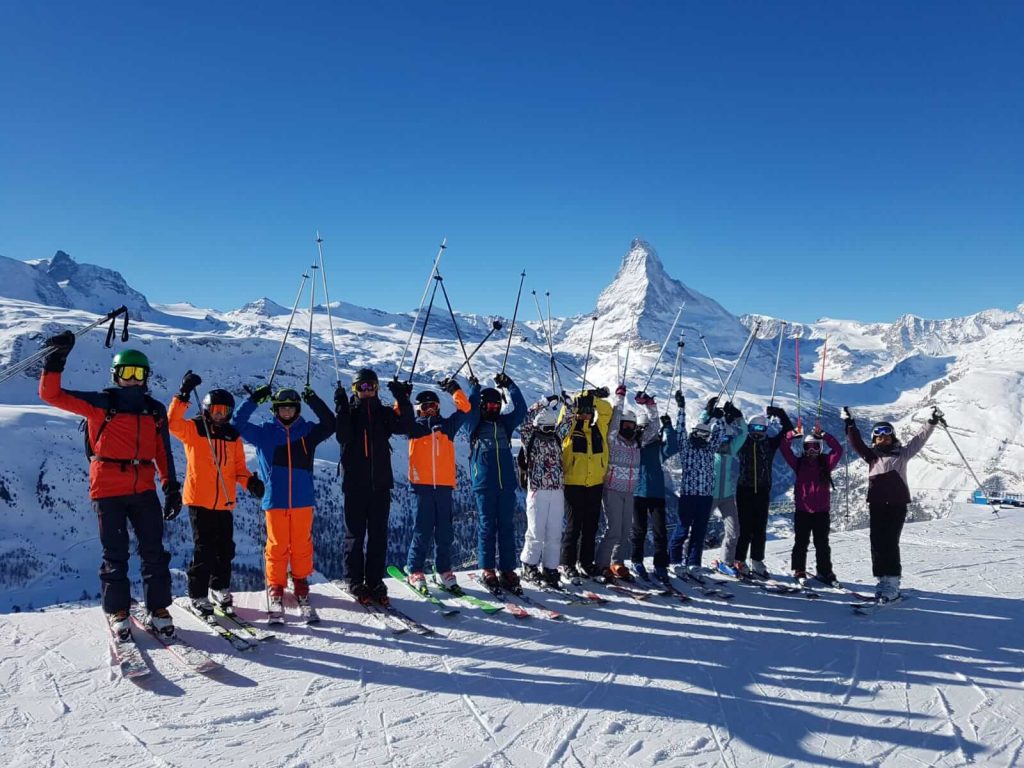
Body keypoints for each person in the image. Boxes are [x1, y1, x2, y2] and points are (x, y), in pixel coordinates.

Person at [38, 336, 181, 639]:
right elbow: (51, 395)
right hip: (108, 489)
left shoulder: (154, 410)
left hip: (143, 489)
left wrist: (170, 487)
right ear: (116, 376)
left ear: (146, 378)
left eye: (138, 374)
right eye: (127, 373)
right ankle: (119, 611)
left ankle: (158, 609)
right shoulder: (101, 403)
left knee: (154, 552)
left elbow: (162, 452)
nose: (132, 380)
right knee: (115, 553)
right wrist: (56, 361)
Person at [233, 384, 336, 617]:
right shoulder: (264, 433)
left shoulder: (307, 432)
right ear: (275, 410)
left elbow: (331, 424)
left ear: (297, 409)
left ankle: (300, 582)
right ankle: (276, 585)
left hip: (302, 500)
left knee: (301, 544)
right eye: (282, 408)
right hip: (275, 500)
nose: (287, 412)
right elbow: (236, 425)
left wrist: (314, 400)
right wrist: (254, 400)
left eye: (291, 408)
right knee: (277, 545)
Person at [168, 371, 264, 615]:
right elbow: (172, 424)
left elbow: (239, 469)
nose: (220, 415)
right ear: (207, 409)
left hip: (224, 501)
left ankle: (219, 587)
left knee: (225, 549)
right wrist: (183, 394)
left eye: (224, 411)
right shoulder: (195, 430)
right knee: (204, 550)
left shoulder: (233, 437)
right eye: (215, 410)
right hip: (199, 500)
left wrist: (250, 482)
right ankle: (197, 594)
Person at [844, 406, 942, 600]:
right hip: (877, 504)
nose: (883, 439)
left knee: (890, 542)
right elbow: (855, 443)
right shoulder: (871, 456)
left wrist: (931, 422)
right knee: (877, 542)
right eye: (879, 437)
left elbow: (919, 439)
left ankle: (893, 582)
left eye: (887, 436)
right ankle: (882, 579)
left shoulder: (903, 454)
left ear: (893, 437)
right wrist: (849, 423)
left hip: (897, 505)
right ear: (874, 440)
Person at [335, 368, 414, 605]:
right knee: (355, 537)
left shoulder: (383, 413)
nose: (366, 391)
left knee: (379, 536)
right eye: (361, 387)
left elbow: (407, 425)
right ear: (355, 390)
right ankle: (354, 580)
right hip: (355, 486)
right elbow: (342, 436)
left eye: (370, 387)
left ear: (376, 388)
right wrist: (340, 407)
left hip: (380, 486)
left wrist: (402, 398)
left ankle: (375, 581)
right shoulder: (349, 412)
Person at [404, 378, 471, 592]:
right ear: (418, 409)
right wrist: (402, 397)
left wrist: (454, 390)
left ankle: (444, 570)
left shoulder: (447, 426)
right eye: (425, 406)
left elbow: (465, 408)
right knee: (422, 530)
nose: (431, 409)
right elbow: (397, 418)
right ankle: (415, 570)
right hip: (422, 486)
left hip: (443, 487)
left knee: (445, 532)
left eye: (434, 405)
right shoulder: (413, 427)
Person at [463, 373, 527, 591]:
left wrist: (510, 385)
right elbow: (469, 411)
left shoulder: (504, 424)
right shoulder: (474, 425)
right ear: (482, 405)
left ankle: (508, 569)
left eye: (497, 404)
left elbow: (521, 410)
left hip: (506, 484)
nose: (493, 408)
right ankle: (488, 568)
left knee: (507, 527)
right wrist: (474, 389)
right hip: (484, 485)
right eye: (489, 404)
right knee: (487, 526)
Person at [597, 387, 658, 581]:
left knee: (624, 531)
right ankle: (601, 564)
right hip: (613, 489)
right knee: (613, 530)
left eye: (632, 426)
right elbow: (614, 420)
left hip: (630, 491)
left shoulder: (637, 442)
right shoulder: (613, 440)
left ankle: (618, 562)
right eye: (626, 425)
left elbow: (654, 427)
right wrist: (620, 399)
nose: (629, 428)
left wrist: (649, 405)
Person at [558, 387, 612, 581]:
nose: (586, 415)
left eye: (589, 412)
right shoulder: (569, 429)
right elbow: (565, 413)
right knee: (574, 526)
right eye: (583, 411)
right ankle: (567, 563)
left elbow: (607, 411)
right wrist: (580, 398)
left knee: (591, 526)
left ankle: (586, 563)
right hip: (573, 483)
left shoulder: (599, 428)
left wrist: (594, 399)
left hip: (595, 483)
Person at [669, 391, 725, 577]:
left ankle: (694, 563)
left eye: (705, 435)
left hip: (705, 497)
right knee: (682, 529)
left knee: (699, 532)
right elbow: (679, 431)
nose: (701, 437)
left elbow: (720, 433)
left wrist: (720, 418)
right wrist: (681, 408)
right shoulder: (687, 450)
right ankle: (675, 560)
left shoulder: (710, 450)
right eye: (698, 433)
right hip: (689, 496)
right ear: (694, 433)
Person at [518, 396, 572, 588]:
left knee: (555, 532)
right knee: (536, 531)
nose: (549, 432)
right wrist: (542, 403)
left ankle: (550, 567)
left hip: (557, 490)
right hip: (537, 490)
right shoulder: (529, 437)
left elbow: (569, 420)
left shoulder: (557, 436)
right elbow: (523, 419)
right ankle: (529, 565)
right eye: (546, 428)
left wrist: (568, 403)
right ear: (538, 426)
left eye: (552, 427)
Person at [735, 405, 794, 577]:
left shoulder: (770, 443)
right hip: (744, 490)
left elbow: (788, 429)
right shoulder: (743, 443)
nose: (758, 432)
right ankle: (739, 560)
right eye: (755, 428)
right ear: (750, 429)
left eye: (762, 428)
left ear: (766, 429)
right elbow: (737, 433)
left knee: (760, 528)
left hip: (762, 490)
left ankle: (757, 560)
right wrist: (736, 418)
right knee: (745, 529)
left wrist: (780, 413)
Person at [779, 428, 843, 585]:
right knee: (801, 542)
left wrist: (825, 434)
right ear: (804, 448)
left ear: (820, 448)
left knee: (822, 543)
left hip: (821, 511)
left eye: (816, 446)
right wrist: (792, 433)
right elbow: (784, 447)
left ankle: (825, 571)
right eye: (808, 447)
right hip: (803, 510)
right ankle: (799, 569)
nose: (812, 450)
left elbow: (838, 449)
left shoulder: (826, 463)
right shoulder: (799, 464)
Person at [631, 398, 680, 582]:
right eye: (641, 428)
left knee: (660, 531)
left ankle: (661, 564)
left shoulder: (658, 448)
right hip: (638, 493)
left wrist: (668, 427)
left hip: (656, 493)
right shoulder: (633, 446)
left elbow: (673, 447)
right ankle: (637, 561)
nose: (643, 431)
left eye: (645, 428)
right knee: (639, 530)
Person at [704, 398, 748, 575]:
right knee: (698, 528)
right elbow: (702, 426)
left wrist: (739, 417)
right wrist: (707, 412)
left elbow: (744, 433)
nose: (725, 442)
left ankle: (726, 561)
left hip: (727, 497)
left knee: (734, 530)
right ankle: (687, 558)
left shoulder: (731, 450)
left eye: (728, 438)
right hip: (709, 495)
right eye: (722, 438)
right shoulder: (708, 449)